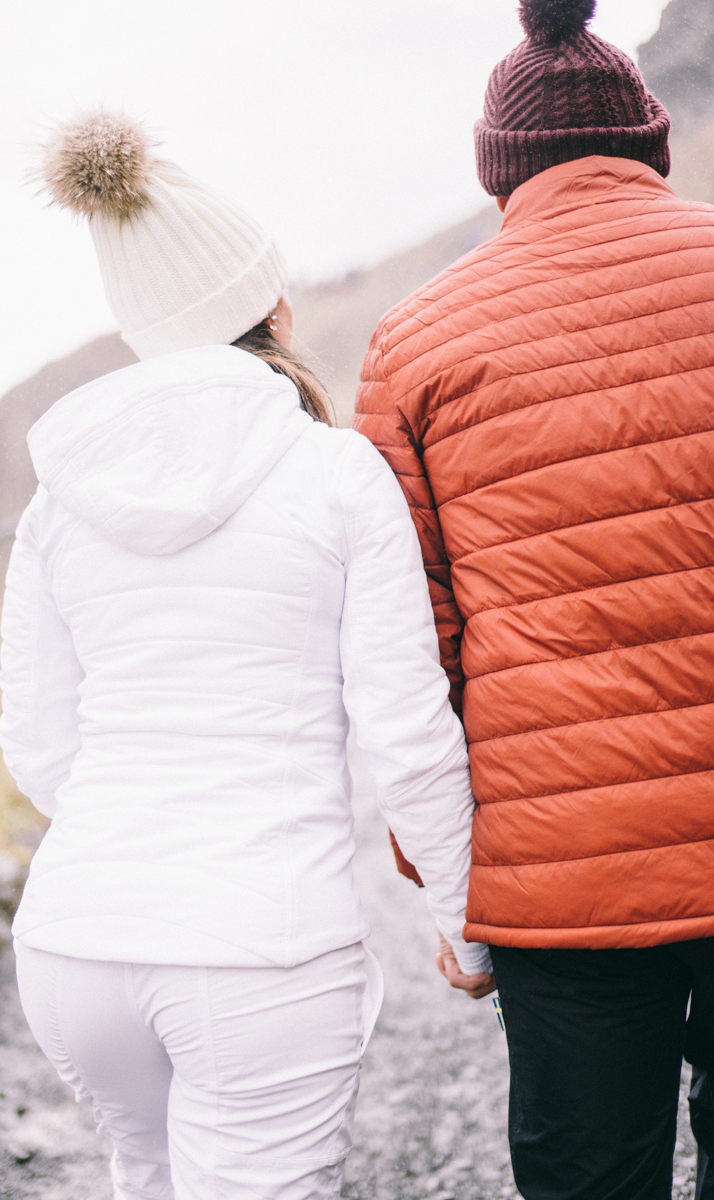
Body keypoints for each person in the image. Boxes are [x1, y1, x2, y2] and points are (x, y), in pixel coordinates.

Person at [0, 110, 489, 1200]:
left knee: (149, 1170)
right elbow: (405, 733)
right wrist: (463, 921)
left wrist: (136, 847)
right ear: (267, 303)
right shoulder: (334, 475)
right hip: (261, 952)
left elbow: (34, 741)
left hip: (75, 944)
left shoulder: (59, 499)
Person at [353, 1, 714, 1198]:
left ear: (498, 171)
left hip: (565, 878)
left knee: (588, 1174)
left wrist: (455, 886)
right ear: (648, 142)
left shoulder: (412, 343)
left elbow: (412, 648)